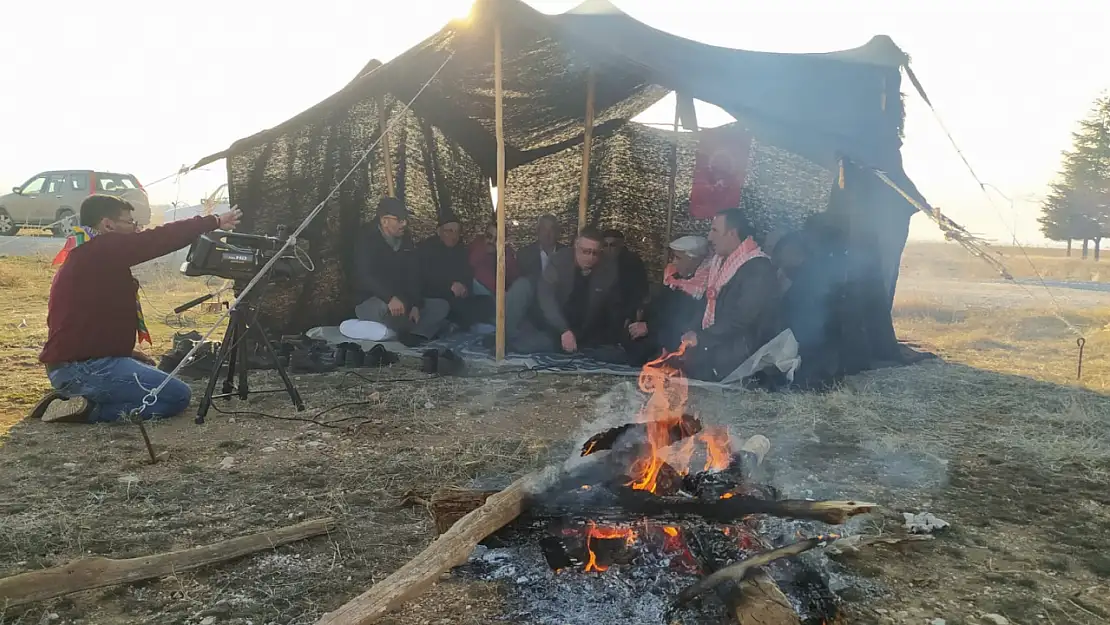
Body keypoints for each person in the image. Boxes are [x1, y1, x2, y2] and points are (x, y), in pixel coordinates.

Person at [30, 195, 242, 423]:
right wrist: (213, 221)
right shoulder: (101, 248)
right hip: (83, 369)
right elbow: (159, 239)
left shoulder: (87, 253)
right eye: (130, 222)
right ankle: (89, 409)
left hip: (73, 366)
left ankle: (73, 396)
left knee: (155, 376)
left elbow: (84, 320)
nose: (136, 229)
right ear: (108, 225)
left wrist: (122, 351)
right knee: (177, 396)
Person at [679, 209, 783, 382]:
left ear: (732, 233)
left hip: (743, 355)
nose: (710, 237)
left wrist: (702, 337)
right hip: (718, 347)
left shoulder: (758, 268)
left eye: (715, 231)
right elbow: (707, 302)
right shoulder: (720, 262)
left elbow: (743, 317)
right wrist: (691, 331)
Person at [352, 197, 450, 345]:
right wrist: (389, 297)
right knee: (385, 310)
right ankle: (407, 331)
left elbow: (413, 274)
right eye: (399, 219)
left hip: (403, 301)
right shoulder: (367, 239)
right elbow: (365, 275)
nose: (404, 223)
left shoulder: (406, 240)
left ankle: (412, 333)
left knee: (441, 306)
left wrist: (416, 304)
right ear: (384, 221)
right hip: (375, 301)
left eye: (405, 219)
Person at [534, 226, 630, 356]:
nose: (590, 257)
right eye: (585, 251)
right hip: (557, 324)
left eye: (595, 253)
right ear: (575, 246)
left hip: (589, 328)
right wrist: (563, 330)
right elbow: (546, 299)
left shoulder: (608, 269)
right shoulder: (558, 261)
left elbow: (614, 306)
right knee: (540, 345)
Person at [419, 211, 490, 328]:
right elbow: (425, 278)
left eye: (457, 232)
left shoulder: (460, 250)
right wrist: (449, 286)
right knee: (454, 308)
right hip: (437, 296)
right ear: (439, 231)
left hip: (459, 297)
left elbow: (467, 272)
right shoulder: (427, 249)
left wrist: (464, 287)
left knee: (487, 302)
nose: (454, 235)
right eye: (449, 231)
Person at [602, 228, 649, 320]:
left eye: (612, 245)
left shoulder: (632, 262)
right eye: (605, 245)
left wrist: (631, 316)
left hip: (624, 313)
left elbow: (640, 291)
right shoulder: (600, 261)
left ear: (621, 244)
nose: (608, 249)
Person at [468, 220, 520, 297]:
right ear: (484, 235)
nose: (491, 241)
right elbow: (471, 266)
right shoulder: (477, 246)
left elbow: (514, 278)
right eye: (489, 236)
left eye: (497, 239)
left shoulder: (507, 254)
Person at [518, 214, 564, 280]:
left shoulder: (566, 254)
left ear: (557, 232)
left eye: (551, 229)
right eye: (544, 229)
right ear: (538, 231)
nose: (547, 234)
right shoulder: (524, 255)